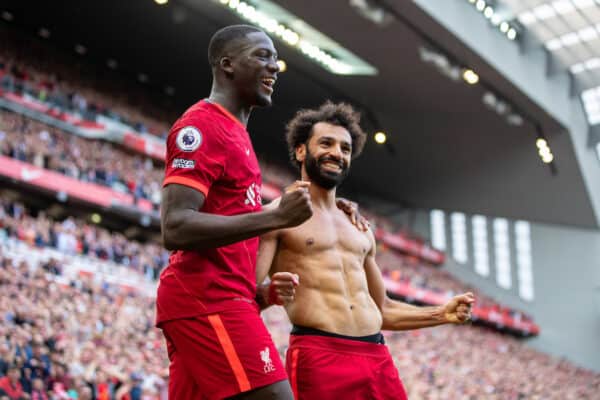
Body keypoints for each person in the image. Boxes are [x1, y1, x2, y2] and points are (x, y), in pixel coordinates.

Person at [157, 25, 364, 400]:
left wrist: (261, 292)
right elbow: (176, 226)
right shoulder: (202, 126)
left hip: (220, 299)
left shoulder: (236, 133)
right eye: (262, 56)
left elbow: (231, 225)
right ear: (227, 65)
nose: (275, 66)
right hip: (208, 301)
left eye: (275, 58)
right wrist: (275, 218)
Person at [256, 101, 475, 400]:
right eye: (326, 143)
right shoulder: (277, 216)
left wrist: (441, 314)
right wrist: (271, 291)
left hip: (376, 356)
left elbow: (382, 309)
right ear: (301, 151)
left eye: (345, 148)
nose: (337, 153)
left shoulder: (359, 226)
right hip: (319, 356)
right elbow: (244, 298)